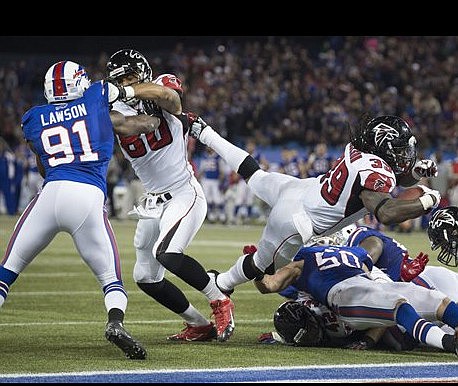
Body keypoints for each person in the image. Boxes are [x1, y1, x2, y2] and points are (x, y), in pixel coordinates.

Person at [189, 113, 440, 340]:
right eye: (398, 148)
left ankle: (204, 131)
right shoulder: (376, 173)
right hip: (298, 219)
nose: (404, 154)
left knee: (255, 174)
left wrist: (415, 173)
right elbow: (386, 212)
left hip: (301, 189)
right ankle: (221, 282)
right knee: (262, 265)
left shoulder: (359, 149)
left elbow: (391, 176)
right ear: (384, 147)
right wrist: (428, 200)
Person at [0, 60, 173, 360]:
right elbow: (136, 123)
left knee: (6, 271)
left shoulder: (34, 117)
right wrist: (156, 121)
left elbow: (43, 164)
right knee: (111, 279)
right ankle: (115, 322)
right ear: (78, 83)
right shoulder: (97, 97)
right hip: (87, 196)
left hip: (50, 193)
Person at [106, 49, 234, 342]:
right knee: (146, 277)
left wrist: (126, 90)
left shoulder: (160, 90)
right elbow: (122, 122)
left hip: (182, 192)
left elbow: (171, 99)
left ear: (142, 73)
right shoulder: (116, 111)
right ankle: (198, 324)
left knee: (167, 253)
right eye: (119, 79)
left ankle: (220, 300)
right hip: (153, 201)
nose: (124, 81)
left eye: (129, 75)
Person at [253, 243, 458, 356]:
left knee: (425, 303)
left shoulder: (302, 259)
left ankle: (450, 342)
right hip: (358, 289)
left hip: (344, 297)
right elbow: (375, 277)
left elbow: (269, 285)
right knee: (418, 304)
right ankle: (449, 343)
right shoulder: (355, 252)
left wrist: (256, 269)